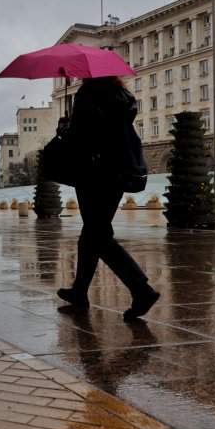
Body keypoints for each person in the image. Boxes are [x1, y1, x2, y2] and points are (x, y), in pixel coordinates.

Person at [56, 76, 160, 321]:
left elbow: (81, 136)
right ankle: (80, 291)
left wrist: (63, 127)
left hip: (94, 173)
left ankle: (141, 289)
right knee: (92, 234)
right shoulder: (122, 96)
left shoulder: (88, 93)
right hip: (118, 172)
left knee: (99, 236)